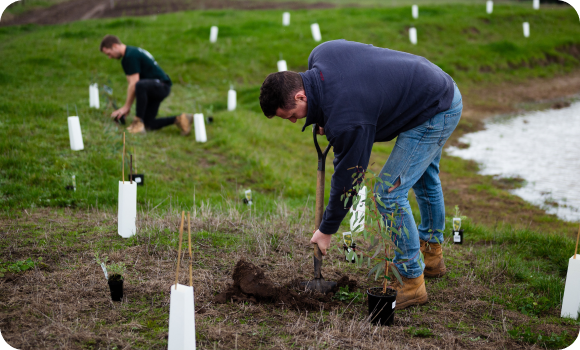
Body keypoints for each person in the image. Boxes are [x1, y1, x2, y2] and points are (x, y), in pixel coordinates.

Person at [259, 40, 462, 310]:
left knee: (388, 193)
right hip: (432, 83)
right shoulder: (321, 54)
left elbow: (349, 179)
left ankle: (413, 281)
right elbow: (336, 92)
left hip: (436, 109)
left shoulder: (347, 120)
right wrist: (322, 115)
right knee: (424, 179)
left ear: (300, 97)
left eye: (291, 116)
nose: (295, 122)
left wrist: (327, 230)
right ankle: (432, 257)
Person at [99, 35, 192, 135]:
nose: (109, 57)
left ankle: (137, 123)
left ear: (115, 46)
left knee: (140, 85)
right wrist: (127, 107)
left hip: (161, 86)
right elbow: (131, 84)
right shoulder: (126, 58)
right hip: (152, 87)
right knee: (148, 124)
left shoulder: (131, 55)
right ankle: (180, 119)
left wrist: (126, 107)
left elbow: (135, 84)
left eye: (109, 53)